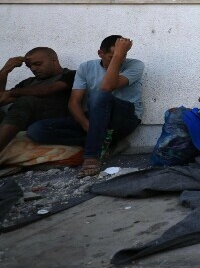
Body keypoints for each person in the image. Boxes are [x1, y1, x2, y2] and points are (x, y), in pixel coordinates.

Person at [27, 35, 144, 177]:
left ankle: (91, 157)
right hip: (96, 120)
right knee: (36, 130)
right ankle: (109, 143)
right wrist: (87, 125)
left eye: (121, 56)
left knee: (100, 96)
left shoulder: (135, 65)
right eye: (111, 57)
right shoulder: (86, 67)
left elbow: (108, 86)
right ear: (100, 53)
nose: (119, 61)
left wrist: (118, 56)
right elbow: (74, 103)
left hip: (125, 118)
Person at [0, 48, 75, 154]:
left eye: (38, 64)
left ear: (54, 60)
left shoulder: (71, 75)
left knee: (26, 100)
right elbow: (2, 99)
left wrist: (12, 93)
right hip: (24, 119)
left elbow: (47, 90)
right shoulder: (28, 82)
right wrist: (5, 71)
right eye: (30, 66)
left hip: (52, 121)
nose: (34, 69)